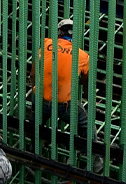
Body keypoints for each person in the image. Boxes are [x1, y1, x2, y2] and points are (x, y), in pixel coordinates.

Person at [30, 18, 102, 173]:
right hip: (65, 105)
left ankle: (34, 150)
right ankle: (96, 164)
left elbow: (33, 74)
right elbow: (87, 84)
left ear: (59, 33)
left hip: (41, 99)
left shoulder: (46, 44)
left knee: (35, 126)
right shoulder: (82, 56)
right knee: (88, 128)